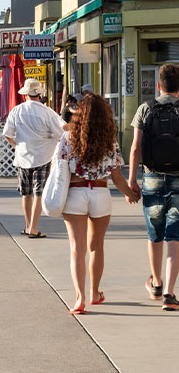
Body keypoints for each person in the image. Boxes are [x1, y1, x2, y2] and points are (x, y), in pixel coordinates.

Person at [57, 95, 140, 315]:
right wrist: (130, 194)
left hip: (75, 193)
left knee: (77, 249)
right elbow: (117, 177)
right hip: (101, 194)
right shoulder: (109, 140)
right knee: (96, 247)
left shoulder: (68, 137)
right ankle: (95, 293)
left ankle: (79, 299)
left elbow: (58, 168)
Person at [128, 63, 179, 310]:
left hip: (152, 179)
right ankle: (170, 294)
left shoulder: (145, 109)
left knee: (155, 234)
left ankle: (156, 284)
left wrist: (131, 181)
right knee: (175, 235)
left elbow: (136, 147)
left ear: (159, 85)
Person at [2, 78, 64, 238]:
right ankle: (34, 228)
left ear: (25, 95)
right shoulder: (46, 111)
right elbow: (60, 133)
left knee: (26, 194)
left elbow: (7, 134)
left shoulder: (17, 110)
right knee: (39, 193)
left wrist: (17, 146)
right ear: (40, 95)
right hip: (43, 156)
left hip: (22, 157)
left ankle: (27, 225)